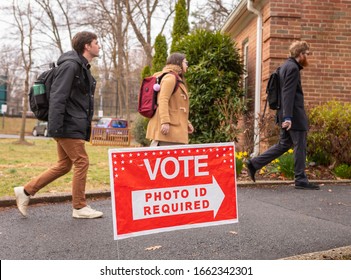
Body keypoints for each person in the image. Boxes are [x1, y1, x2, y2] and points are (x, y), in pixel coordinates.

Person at [14, 31, 104, 218]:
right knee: (82, 161)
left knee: (64, 165)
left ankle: (25, 191)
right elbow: (58, 96)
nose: (99, 45)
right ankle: (79, 207)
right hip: (67, 124)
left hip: (70, 123)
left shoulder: (81, 67)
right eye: (96, 42)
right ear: (87, 46)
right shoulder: (71, 66)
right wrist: (55, 127)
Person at [247, 40, 320, 190]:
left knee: (284, 144)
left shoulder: (284, 66)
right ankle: (300, 179)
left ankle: (254, 164)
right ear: (301, 54)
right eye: (307, 54)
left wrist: (284, 116)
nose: (308, 57)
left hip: (284, 113)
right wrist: (288, 118)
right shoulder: (292, 68)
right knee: (300, 145)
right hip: (293, 115)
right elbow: (288, 93)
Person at [146, 52, 194, 146]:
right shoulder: (170, 78)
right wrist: (165, 122)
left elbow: (176, 106)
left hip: (174, 129)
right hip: (168, 130)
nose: (187, 65)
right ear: (178, 63)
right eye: (185, 62)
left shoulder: (174, 77)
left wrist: (186, 123)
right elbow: (163, 100)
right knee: (165, 158)